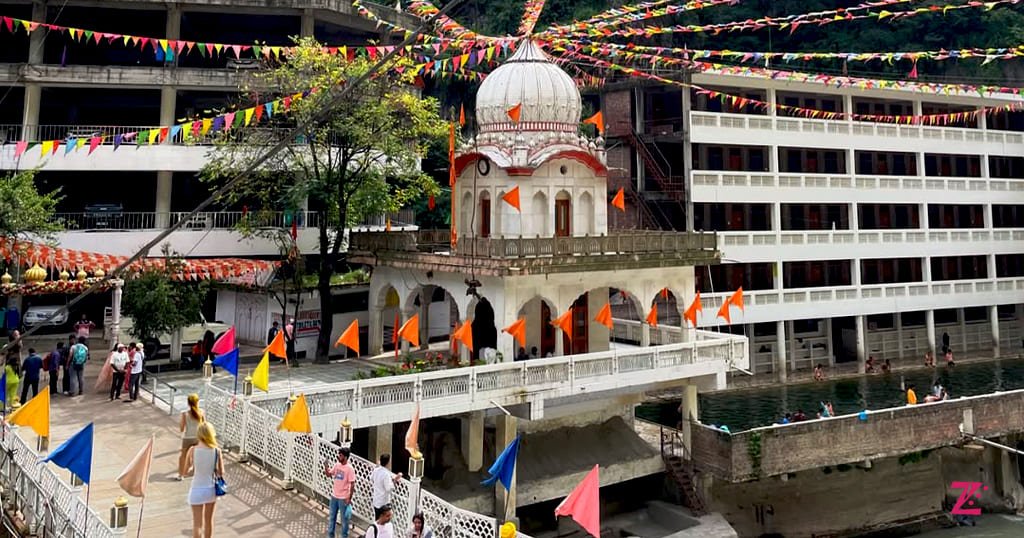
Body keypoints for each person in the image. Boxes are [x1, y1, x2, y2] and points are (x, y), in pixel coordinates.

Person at [186, 422, 223, 538]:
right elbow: (221, 472)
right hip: (210, 489)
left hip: (196, 489)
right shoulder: (217, 451)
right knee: (208, 521)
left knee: (197, 524)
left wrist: (194, 468)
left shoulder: (192, 450)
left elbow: (186, 471)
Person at [324, 447, 355, 538]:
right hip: (334, 496)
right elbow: (329, 474)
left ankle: (344, 536)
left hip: (343, 498)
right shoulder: (337, 465)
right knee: (332, 518)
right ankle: (330, 535)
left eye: (340, 455)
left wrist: (349, 498)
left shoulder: (350, 469)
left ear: (345, 457)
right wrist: (326, 467)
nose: (338, 457)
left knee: (344, 520)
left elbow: (352, 484)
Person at [178, 394, 205, 481]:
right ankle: (195, 471)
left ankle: (181, 474)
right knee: (197, 455)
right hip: (198, 437)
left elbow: (182, 428)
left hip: (187, 437)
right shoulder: (202, 412)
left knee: (183, 456)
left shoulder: (185, 414)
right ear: (197, 402)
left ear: (188, 403)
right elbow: (204, 425)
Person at [371, 454, 402, 518]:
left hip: (376, 500)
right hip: (383, 503)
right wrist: (395, 480)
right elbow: (388, 488)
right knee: (383, 522)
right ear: (388, 463)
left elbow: (371, 478)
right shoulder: (386, 474)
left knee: (377, 520)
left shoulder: (376, 470)